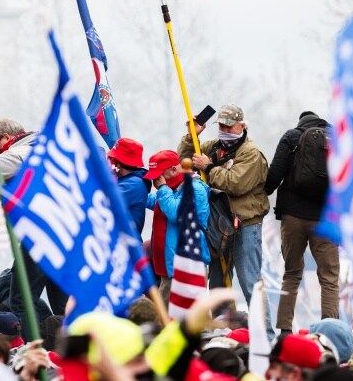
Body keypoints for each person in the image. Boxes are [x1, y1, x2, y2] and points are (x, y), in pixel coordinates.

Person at [179, 104, 273, 339]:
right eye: (220, 125)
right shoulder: (213, 147)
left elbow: (236, 183)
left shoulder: (251, 153)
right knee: (219, 283)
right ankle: (221, 332)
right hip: (220, 226)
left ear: (241, 125)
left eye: (228, 126)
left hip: (246, 225)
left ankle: (267, 336)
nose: (224, 130)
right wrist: (192, 137)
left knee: (249, 280)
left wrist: (209, 168)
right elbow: (185, 160)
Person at [0, 118, 68, 340]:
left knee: (21, 299)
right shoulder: (42, 146)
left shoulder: (21, 152)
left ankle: (35, 353)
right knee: (60, 301)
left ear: (5, 137)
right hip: (57, 232)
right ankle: (70, 351)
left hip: (39, 233)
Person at [265, 111, 339, 334]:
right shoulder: (337, 140)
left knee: (291, 273)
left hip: (293, 217)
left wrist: (265, 192)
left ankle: (285, 331)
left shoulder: (291, 137)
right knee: (329, 278)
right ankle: (329, 333)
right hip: (324, 220)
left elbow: (274, 176)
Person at [144, 150, 210, 306]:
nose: (156, 182)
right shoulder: (171, 188)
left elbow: (176, 212)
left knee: (193, 316)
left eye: (158, 176)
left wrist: (163, 189)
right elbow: (156, 201)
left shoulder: (194, 188)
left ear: (173, 170)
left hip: (187, 265)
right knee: (166, 316)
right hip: (170, 265)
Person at [107, 137, 151, 239]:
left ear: (120, 163)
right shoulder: (125, 179)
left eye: (114, 160)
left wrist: (107, 174)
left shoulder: (133, 184)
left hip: (126, 248)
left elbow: (106, 201)